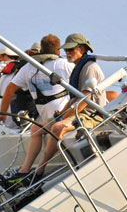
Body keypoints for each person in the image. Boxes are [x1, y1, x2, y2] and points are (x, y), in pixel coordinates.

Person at [31, 33, 118, 178]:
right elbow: (73, 99)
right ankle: (25, 170)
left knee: (57, 128)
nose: (67, 53)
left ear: (82, 50)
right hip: (79, 111)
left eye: (71, 50)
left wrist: (64, 117)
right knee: (36, 128)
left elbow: (84, 100)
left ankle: (40, 171)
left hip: (91, 114)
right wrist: (60, 113)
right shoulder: (78, 67)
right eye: (66, 50)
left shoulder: (90, 67)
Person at [0, 34, 74, 184]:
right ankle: (28, 171)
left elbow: (10, 90)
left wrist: (3, 114)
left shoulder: (28, 67)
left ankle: (26, 170)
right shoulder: (64, 64)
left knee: (36, 130)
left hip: (50, 115)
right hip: (61, 111)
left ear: (41, 49)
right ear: (58, 50)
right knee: (36, 129)